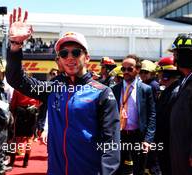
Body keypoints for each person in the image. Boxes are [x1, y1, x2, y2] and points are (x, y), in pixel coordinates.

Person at [6, 7, 120, 175]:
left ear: (87, 57)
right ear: (58, 59)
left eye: (76, 52)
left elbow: (111, 144)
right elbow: (16, 79)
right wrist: (16, 46)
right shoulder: (54, 87)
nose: (70, 58)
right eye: (64, 53)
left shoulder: (102, 92)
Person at [112, 54, 156, 175]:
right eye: (123, 69)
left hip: (138, 136)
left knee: (139, 170)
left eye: (129, 69)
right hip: (119, 135)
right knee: (117, 169)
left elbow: (152, 115)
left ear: (137, 69)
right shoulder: (114, 89)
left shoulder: (146, 89)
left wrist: (148, 140)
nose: (125, 72)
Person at [169, 33, 192, 175]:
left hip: (190, 155)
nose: (174, 59)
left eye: (176, 54)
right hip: (180, 149)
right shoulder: (186, 80)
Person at [154, 56, 180, 175]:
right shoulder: (169, 90)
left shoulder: (174, 92)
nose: (158, 75)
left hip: (168, 143)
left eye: (160, 72)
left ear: (166, 74)